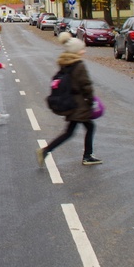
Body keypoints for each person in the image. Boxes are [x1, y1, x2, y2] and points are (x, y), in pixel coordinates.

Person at [37, 32, 101, 166]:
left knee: (71, 131)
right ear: (76, 51)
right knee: (85, 128)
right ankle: (87, 156)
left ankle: (47, 151)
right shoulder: (79, 65)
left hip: (71, 102)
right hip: (79, 104)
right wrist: (91, 101)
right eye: (82, 49)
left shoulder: (65, 63)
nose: (84, 51)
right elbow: (86, 85)